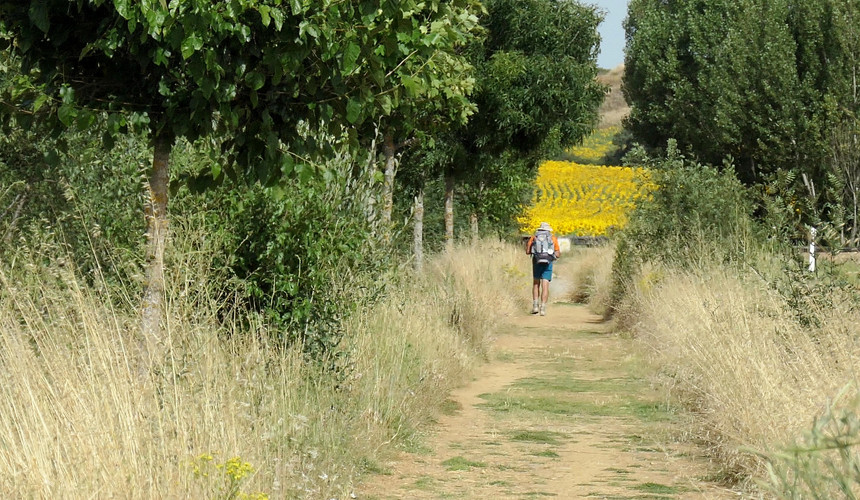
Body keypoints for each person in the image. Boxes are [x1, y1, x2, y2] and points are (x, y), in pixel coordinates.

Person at [525, 222, 561, 316]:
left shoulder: (534, 237)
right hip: (548, 263)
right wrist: (551, 255)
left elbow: (528, 252)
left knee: (536, 283)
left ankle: (535, 306)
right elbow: (557, 254)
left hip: (536, 262)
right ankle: (543, 308)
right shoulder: (552, 238)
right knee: (545, 284)